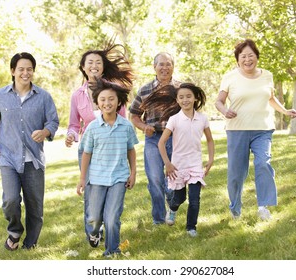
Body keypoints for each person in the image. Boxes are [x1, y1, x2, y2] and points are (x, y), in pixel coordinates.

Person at [0, 52, 59, 250]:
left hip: (34, 160)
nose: (26, 73)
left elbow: (53, 121)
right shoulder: (0, 95)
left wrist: (45, 131)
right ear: (13, 71)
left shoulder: (43, 97)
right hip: (8, 156)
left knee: (35, 206)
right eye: (21, 69)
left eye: (29, 69)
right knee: (10, 200)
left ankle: (30, 243)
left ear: (33, 71)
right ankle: (14, 231)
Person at [215, 39, 296, 220]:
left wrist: (284, 111)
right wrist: (224, 111)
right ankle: (235, 208)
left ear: (257, 57)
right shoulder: (230, 77)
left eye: (251, 55)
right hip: (237, 130)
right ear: (237, 59)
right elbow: (219, 101)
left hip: (263, 128)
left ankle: (263, 206)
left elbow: (270, 98)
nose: (247, 59)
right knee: (236, 173)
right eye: (243, 56)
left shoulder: (267, 75)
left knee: (263, 164)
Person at [65, 41, 134, 240]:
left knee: (111, 188)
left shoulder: (115, 91)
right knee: (91, 191)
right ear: (83, 67)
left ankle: (108, 223)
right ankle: (94, 231)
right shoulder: (77, 95)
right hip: (89, 149)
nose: (94, 65)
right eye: (90, 62)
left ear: (103, 67)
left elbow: (123, 121)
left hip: (112, 149)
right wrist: (71, 135)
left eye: (98, 62)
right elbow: (73, 124)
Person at [76, 78, 138, 257]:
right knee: (94, 218)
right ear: (97, 103)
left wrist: (133, 173)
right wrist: (82, 178)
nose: (107, 103)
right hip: (96, 178)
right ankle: (94, 234)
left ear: (119, 101)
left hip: (119, 177)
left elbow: (131, 150)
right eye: (102, 99)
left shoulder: (126, 126)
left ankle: (112, 250)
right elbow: (86, 153)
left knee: (112, 218)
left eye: (111, 99)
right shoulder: (93, 128)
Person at [129, 52, 182, 225]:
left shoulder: (181, 89)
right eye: (161, 64)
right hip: (153, 139)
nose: (165, 68)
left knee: (174, 179)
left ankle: (171, 210)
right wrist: (144, 127)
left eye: (168, 64)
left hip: (176, 139)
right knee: (155, 179)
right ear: (154, 67)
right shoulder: (145, 90)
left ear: (173, 66)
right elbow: (134, 115)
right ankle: (159, 219)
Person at [158, 83, 214, 237]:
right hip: (178, 166)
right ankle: (173, 209)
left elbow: (209, 140)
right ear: (177, 100)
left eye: (188, 96)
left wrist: (211, 159)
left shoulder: (202, 119)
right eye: (181, 97)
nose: (185, 100)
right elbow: (161, 143)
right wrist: (168, 164)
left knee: (195, 198)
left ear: (195, 98)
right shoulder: (174, 119)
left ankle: (191, 228)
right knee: (180, 197)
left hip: (195, 164)